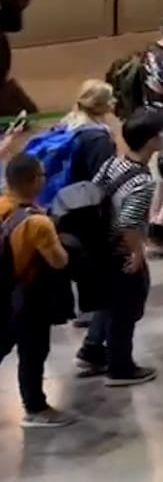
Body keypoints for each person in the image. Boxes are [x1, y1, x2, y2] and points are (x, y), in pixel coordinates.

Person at [75, 108, 163, 387]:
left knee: (109, 302)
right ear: (151, 140)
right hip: (120, 251)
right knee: (126, 308)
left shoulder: (112, 164)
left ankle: (92, 350)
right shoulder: (143, 181)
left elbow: (93, 191)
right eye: (161, 132)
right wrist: (137, 252)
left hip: (98, 246)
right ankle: (121, 367)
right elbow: (129, 222)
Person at [0, 150, 73, 426]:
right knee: (32, 352)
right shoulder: (37, 222)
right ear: (34, 182)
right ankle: (36, 408)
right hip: (28, 296)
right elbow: (58, 261)